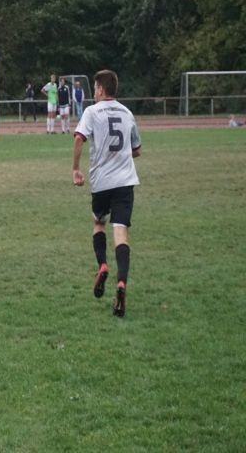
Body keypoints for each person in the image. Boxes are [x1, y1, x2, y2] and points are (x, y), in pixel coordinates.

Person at [72, 70, 142, 318]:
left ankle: (102, 265)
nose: (94, 90)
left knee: (98, 223)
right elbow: (137, 150)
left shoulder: (92, 111)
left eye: (95, 86)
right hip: (125, 182)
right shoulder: (127, 113)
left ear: (101, 89)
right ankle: (121, 283)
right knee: (121, 231)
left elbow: (79, 138)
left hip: (102, 182)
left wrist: (76, 170)